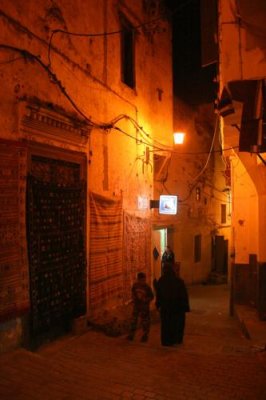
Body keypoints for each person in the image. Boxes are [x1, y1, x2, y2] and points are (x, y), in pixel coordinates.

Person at [155, 262, 190, 347]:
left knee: (166, 325)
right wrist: (185, 307)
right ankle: (176, 340)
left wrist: (158, 305)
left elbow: (158, 294)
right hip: (177, 308)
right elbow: (184, 295)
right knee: (176, 324)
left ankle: (166, 341)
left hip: (166, 308)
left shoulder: (161, 280)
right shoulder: (179, 281)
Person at [127, 272, 154, 342]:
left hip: (144, 307)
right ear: (138, 279)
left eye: (144, 279)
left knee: (145, 322)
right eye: (142, 280)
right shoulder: (135, 286)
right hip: (136, 306)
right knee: (133, 321)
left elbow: (151, 296)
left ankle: (145, 335)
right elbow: (133, 293)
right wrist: (134, 298)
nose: (143, 281)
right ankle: (131, 335)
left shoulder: (147, 287)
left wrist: (146, 300)